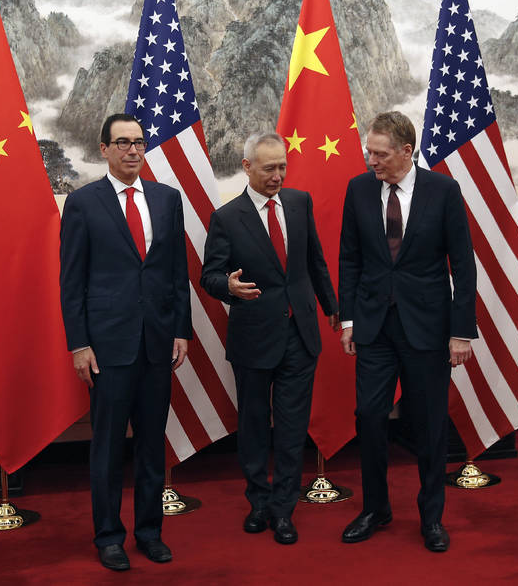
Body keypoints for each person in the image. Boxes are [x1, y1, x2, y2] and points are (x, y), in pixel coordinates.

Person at [337, 111, 476, 553]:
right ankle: (376, 508)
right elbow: (350, 258)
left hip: (429, 330)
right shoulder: (358, 189)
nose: (370, 161)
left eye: (379, 154)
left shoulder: (443, 191)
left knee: (430, 424)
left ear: (406, 151)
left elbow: (464, 264)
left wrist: (461, 331)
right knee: (370, 417)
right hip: (375, 327)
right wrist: (349, 319)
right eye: (368, 153)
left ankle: (431, 516)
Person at [59, 113, 191, 571]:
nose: (133, 150)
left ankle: (150, 533)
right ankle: (109, 536)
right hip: (107, 348)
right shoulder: (83, 203)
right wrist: (79, 344)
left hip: (157, 343)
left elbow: (177, 274)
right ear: (104, 149)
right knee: (109, 447)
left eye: (138, 143)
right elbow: (71, 282)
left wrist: (180, 330)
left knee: (154, 445)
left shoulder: (167, 199)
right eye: (122, 143)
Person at [200, 132, 339, 545]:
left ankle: (283, 510)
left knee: (293, 428)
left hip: (300, 333)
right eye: (269, 168)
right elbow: (208, 275)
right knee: (255, 425)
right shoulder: (226, 218)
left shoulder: (299, 203)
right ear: (247, 168)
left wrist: (333, 307)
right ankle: (258, 502)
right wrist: (228, 285)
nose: (278, 175)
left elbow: (314, 259)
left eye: (282, 166)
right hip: (254, 339)